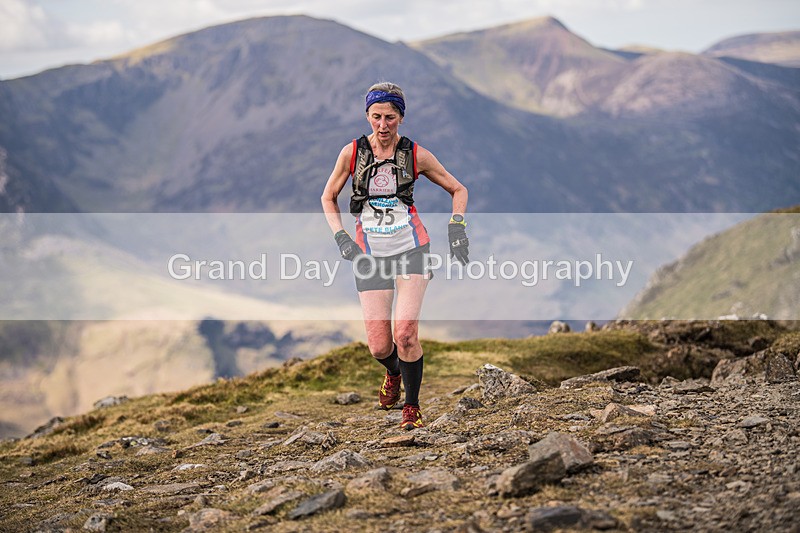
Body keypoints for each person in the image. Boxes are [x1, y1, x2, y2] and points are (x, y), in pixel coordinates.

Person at [321, 82, 469, 430]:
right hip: (370, 254)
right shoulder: (352, 153)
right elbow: (328, 197)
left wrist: (457, 226)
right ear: (367, 116)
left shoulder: (415, 154)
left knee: (405, 333)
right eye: (376, 117)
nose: (383, 125)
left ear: (401, 118)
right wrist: (341, 236)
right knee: (378, 345)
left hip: (412, 249)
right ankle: (393, 372)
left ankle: (412, 408)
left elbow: (458, 189)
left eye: (390, 117)